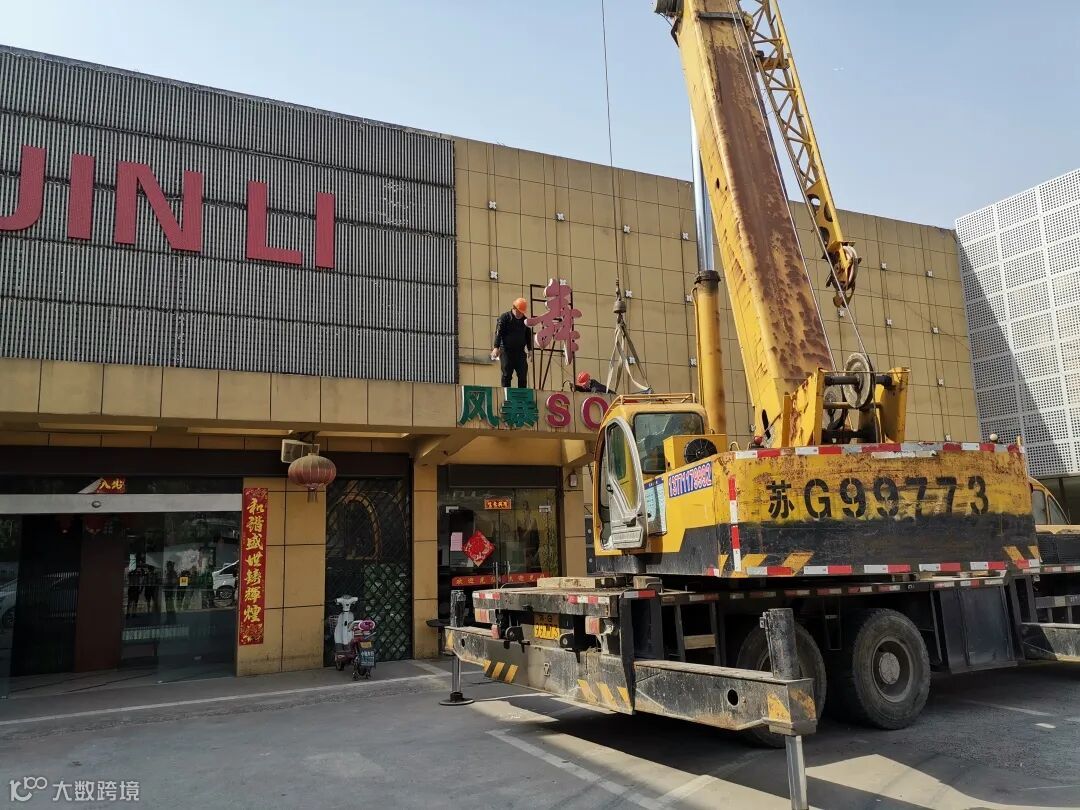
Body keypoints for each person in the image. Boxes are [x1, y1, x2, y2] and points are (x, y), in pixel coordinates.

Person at [491, 297, 533, 388]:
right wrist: (496, 347)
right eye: (519, 312)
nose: (521, 314)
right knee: (507, 374)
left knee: (522, 375)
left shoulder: (525, 321)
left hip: (520, 352)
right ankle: (506, 394)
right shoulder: (505, 318)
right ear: (514, 308)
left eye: (522, 312)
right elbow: (498, 332)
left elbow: (528, 336)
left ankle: (522, 394)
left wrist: (530, 349)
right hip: (506, 351)